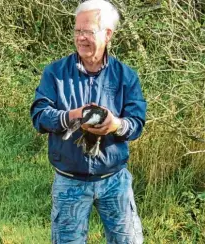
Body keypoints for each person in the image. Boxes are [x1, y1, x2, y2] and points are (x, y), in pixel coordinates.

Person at [30, 0, 147, 243]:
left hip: (115, 180)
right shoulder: (55, 73)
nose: (81, 37)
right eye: (77, 30)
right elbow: (39, 116)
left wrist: (115, 125)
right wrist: (72, 116)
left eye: (88, 31)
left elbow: (136, 123)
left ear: (107, 34)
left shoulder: (126, 76)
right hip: (69, 180)